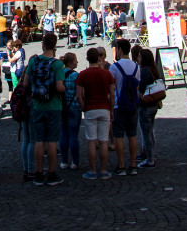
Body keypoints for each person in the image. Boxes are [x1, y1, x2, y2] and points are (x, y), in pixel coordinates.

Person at [23, 33, 65, 186]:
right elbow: (60, 87)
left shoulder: (34, 61)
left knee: (39, 141)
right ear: (54, 45)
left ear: (42, 44)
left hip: (37, 105)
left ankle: (39, 174)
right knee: (52, 142)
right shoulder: (57, 64)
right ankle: (52, 174)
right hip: (54, 106)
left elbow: (25, 84)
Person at [76, 47, 115, 180]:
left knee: (91, 141)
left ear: (87, 58)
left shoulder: (82, 74)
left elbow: (79, 95)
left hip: (90, 109)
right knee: (104, 141)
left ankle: (92, 170)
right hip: (104, 108)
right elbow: (112, 94)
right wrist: (111, 109)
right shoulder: (107, 74)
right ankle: (103, 170)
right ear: (99, 58)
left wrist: (84, 108)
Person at [109, 39, 140, 176]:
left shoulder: (114, 67)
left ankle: (121, 165)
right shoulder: (136, 67)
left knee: (119, 136)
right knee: (132, 135)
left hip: (118, 105)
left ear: (120, 49)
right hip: (133, 104)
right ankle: (133, 165)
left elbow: (111, 88)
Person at [137, 48, 162, 168]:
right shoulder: (154, 69)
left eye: (140, 57)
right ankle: (152, 154)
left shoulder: (145, 71)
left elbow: (141, 90)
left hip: (146, 105)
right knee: (150, 132)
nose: (138, 59)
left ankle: (150, 159)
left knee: (147, 133)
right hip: (154, 104)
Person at [59, 52, 82, 171]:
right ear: (70, 62)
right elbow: (80, 94)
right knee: (73, 135)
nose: (77, 62)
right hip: (74, 107)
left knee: (63, 134)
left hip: (62, 107)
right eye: (75, 60)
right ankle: (75, 162)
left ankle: (63, 161)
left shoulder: (59, 74)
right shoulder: (76, 76)